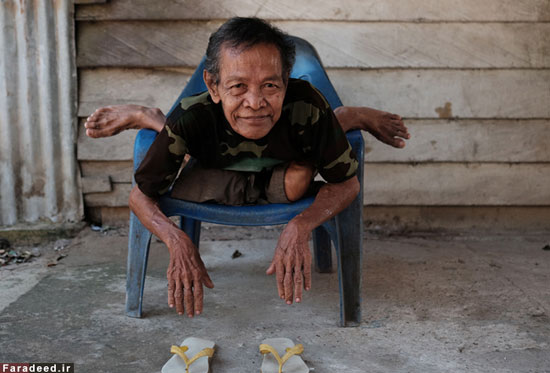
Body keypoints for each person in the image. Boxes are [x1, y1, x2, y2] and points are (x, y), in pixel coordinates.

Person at [84, 17, 410, 318]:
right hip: (211, 159)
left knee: (303, 170)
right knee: (179, 143)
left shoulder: (305, 106)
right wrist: (176, 240)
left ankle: (346, 115)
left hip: (284, 158)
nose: (254, 102)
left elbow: (347, 184)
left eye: (270, 86)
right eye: (238, 86)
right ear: (213, 86)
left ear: (286, 80)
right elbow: (140, 197)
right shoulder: (193, 117)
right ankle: (150, 117)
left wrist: (301, 224)